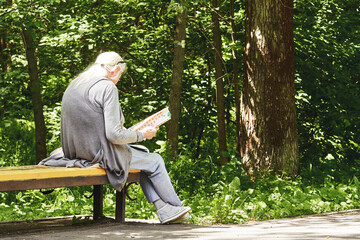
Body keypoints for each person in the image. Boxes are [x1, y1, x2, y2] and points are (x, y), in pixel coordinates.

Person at [39, 51, 190, 224]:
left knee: (143, 161)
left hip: (76, 152)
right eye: (121, 75)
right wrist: (142, 134)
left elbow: (92, 125)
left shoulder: (75, 84)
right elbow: (113, 135)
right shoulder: (107, 87)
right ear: (116, 70)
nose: (119, 79)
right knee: (154, 160)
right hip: (99, 155)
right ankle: (176, 208)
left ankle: (164, 209)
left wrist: (129, 132)